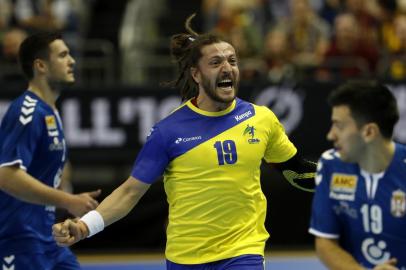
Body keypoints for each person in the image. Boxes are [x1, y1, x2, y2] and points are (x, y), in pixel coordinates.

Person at [53, 16, 315, 270]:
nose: (227, 67)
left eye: (232, 61)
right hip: (186, 257)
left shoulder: (262, 119)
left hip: (243, 252)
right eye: (215, 62)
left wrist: (344, 178)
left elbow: (296, 171)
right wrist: (86, 226)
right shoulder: (169, 131)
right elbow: (130, 192)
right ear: (196, 75)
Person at [0, 31, 101, 270]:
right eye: (63, 55)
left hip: (48, 240)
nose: (72, 61)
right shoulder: (27, 112)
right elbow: (6, 175)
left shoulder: (50, 111)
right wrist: (69, 200)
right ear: (41, 65)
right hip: (19, 242)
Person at [309, 81, 406, 270]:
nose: (330, 135)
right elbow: (325, 243)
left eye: (339, 126)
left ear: (369, 132)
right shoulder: (330, 165)